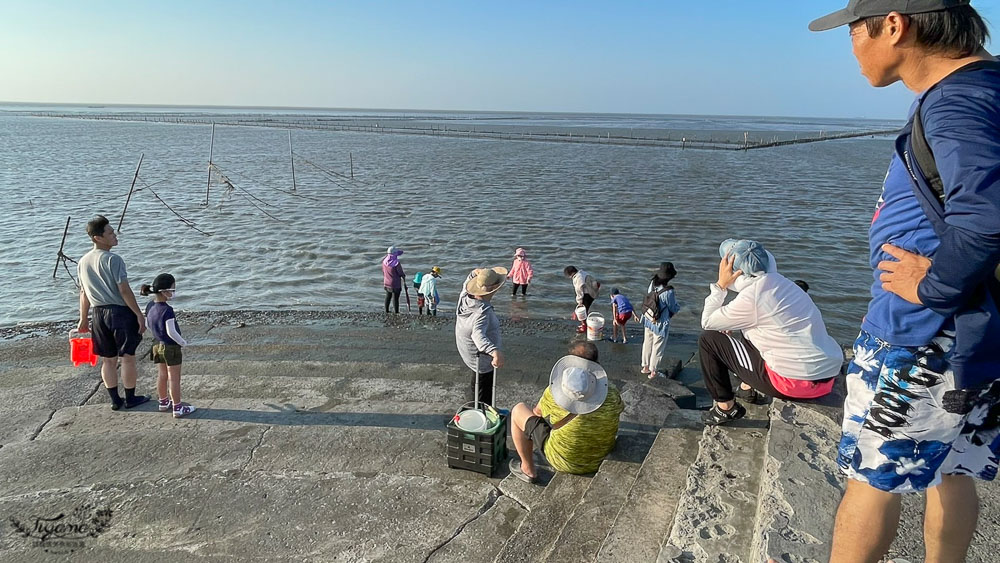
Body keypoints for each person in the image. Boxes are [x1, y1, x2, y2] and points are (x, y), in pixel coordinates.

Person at [810, 3, 1000, 561]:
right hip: (977, 333)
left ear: (894, 25)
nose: (850, 48)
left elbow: (987, 220)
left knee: (871, 478)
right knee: (952, 470)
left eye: (852, 32)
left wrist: (934, 286)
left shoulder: (957, 101)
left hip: (924, 337)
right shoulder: (987, 89)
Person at [699, 240, 842, 425]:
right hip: (826, 376)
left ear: (736, 273)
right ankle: (746, 388)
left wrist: (720, 286)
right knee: (751, 329)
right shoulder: (786, 285)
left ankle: (725, 407)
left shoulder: (752, 297)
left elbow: (707, 322)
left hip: (792, 384)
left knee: (709, 341)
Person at [507, 341, 625, 483]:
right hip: (599, 458)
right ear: (595, 364)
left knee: (518, 410)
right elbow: (619, 409)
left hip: (562, 459)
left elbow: (537, 414)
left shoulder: (554, 393)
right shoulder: (611, 392)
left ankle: (527, 468)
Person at [76, 215, 149, 411]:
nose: (114, 235)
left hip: (98, 314)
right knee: (127, 357)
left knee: (108, 360)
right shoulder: (113, 259)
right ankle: (131, 398)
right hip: (119, 312)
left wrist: (83, 319)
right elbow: (124, 290)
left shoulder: (83, 261)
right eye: (110, 232)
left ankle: (115, 400)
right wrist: (138, 314)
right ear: (97, 238)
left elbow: (83, 293)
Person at [140, 273, 195, 418]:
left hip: (157, 345)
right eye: (173, 290)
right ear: (165, 292)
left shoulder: (150, 305)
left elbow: (147, 324)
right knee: (174, 377)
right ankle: (178, 407)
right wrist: (182, 342)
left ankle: (163, 402)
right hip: (170, 347)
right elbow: (171, 332)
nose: (174, 293)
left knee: (162, 375)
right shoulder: (167, 310)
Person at [455, 267, 506, 405]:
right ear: (495, 288)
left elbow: (465, 284)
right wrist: (494, 352)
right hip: (481, 359)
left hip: (467, 351)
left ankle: (475, 400)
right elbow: (478, 336)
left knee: (477, 381)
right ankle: (480, 411)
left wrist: (473, 273)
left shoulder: (465, 297)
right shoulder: (482, 312)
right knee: (484, 390)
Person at [640, 262, 681, 378]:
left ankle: (645, 367)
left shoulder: (652, 283)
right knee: (658, 347)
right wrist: (678, 308)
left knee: (647, 342)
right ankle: (654, 372)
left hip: (648, 318)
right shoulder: (668, 292)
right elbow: (673, 307)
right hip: (660, 322)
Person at [564, 266, 600, 333]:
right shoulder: (582, 272)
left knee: (582, 311)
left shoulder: (577, 278)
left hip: (587, 294)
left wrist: (579, 302)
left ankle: (584, 327)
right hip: (593, 292)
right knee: (585, 310)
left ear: (570, 274)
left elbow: (579, 290)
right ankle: (586, 324)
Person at [382, 246, 406, 313]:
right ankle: (396, 312)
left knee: (388, 296)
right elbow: (400, 272)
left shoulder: (384, 261)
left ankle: (386, 310)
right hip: (395, 283)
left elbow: (383, 271)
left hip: (386, 282)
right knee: (395, 298)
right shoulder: (396, 263)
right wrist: (403, 276)